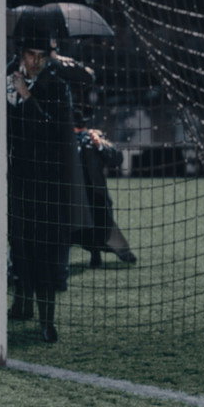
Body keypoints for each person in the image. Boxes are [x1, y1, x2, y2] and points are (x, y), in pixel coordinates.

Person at [8, 28, 86, 343]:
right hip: (19, 178)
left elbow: (52, 132)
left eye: (42, 56)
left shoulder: (57, 87)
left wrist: (25, 96)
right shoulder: (7, 80)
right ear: (21, 53)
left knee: (46, 252)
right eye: (31, 54)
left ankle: (47, 320)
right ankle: (21, 303)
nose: (37, 61)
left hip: (49, 184)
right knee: (20, 244)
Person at [55, 50, 137, 268]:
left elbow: (116, 158)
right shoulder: (63, 140)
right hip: (72, 197)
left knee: (104, 230)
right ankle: (91, 255)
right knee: (72, 229)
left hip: (95, 199)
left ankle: (109, 253)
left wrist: (99, 143)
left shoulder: (93, 139)